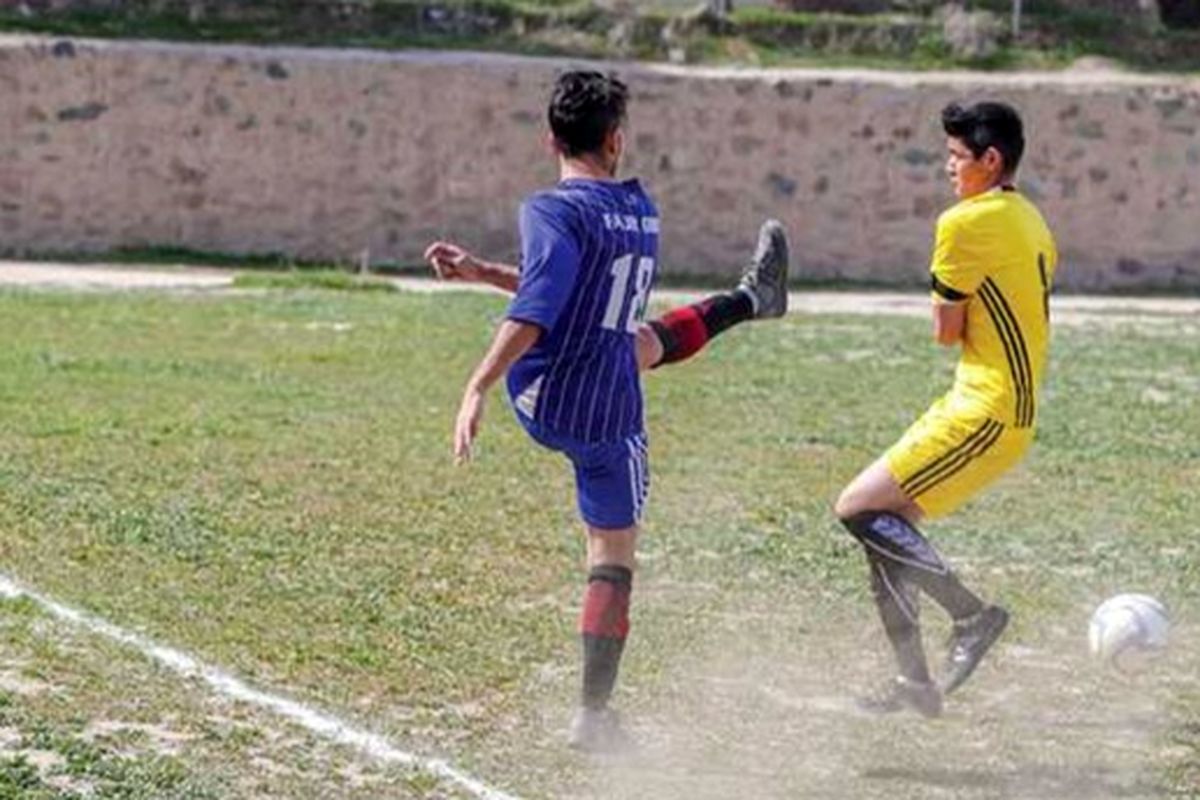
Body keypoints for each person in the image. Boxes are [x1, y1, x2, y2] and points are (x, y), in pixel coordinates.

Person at [423, 70, 789, 750]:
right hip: (608, 412)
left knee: (635, 341)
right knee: (613, 556)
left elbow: (541, 301)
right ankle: (592, 716)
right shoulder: (640, 213)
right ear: (616, 141)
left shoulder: (550, 210)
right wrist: (484, 294)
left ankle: (751, 300)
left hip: (545, 394)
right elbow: (555, 294)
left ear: (550, 139)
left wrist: (478, 381)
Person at [834, 101, 1057, 718]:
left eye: (957, 157)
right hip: (1000, 407)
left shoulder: (963, 223)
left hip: (985, 410)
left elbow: (945, 329)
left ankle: (972, 616)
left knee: (856, 507)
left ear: (991, 160)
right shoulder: (1030, 217)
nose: (948, 168)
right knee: (886, 529)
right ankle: (914, 684)